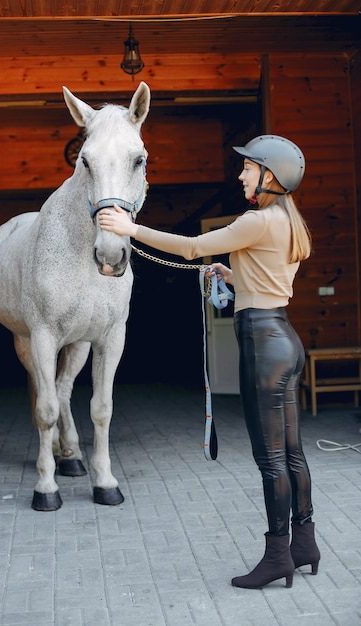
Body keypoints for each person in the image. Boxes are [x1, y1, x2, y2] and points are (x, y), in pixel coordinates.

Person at [99, 134, 320, 590]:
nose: (241, 174)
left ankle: (279, 553)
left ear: (269, 176)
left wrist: (130, 229)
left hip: (263, 344)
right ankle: (304, 543)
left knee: (271, 461)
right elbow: (264, 279)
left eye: (248, 167)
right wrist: (231, 272)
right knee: (292, 454)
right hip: (285, 339)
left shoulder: (257, 220)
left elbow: (193, 247)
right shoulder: (289, 222)